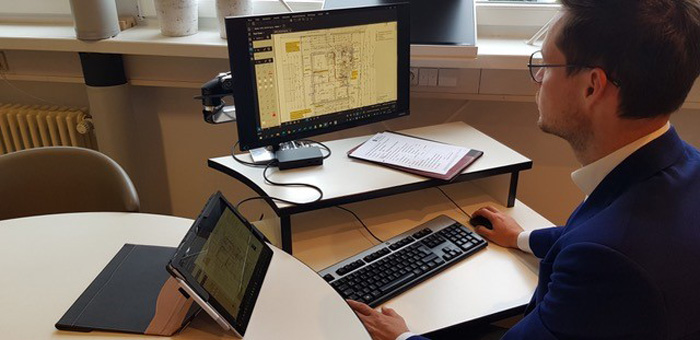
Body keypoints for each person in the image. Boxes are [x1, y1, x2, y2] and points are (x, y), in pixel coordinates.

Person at [348, 0, 700, 339]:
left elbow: (601, 247)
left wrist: (402, 337)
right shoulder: (683, 168)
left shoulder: (607, 261)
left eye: (547, 65)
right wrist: (522, 238)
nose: (540, 78)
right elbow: (593, 229)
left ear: (592, 86)